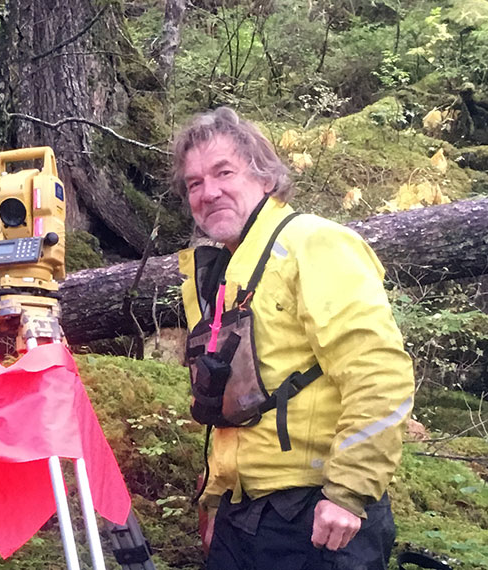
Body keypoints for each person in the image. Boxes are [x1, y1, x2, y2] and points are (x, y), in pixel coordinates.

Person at [172, 107, 415, 570]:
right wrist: (216, 495)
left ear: (264, 178)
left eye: (224, 172)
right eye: (194, 183)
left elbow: (381, 373)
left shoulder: (313, 243)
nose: (209, 192)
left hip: (317, 519)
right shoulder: (222, 272)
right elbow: (235, 400)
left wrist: (348, 492)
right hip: (242, 519)